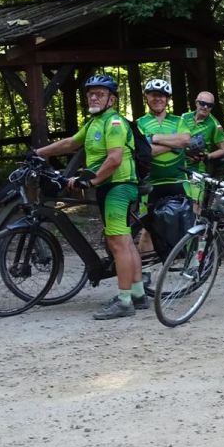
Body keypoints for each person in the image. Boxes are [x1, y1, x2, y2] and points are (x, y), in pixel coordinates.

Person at [34, 73, 143, 319]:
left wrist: (91, 181)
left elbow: (114, 159)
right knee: (125, 242)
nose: (94, 97)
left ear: (111, 100)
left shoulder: (114, 123)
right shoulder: (95, 122)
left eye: (100, 94)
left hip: (118, 186)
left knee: (117, 243)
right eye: (91, 94)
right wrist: (38, 152)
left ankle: (124, 302)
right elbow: (70, 143)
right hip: (111, 186)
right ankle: (138, 294)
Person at [134, 79, 194, 260]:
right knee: (147, 228)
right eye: (154, 95)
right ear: (147, 97)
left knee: (187, 224)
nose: (158, 99)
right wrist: (174, 145)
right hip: (151, 183)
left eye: (162, 96)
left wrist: (153, 138)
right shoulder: (139, 123)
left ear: (167, 99)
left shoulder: (178, 120)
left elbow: (185, 140)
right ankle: (143, 269)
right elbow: (145, 152)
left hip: (179, 180)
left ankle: (190, 266)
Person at [183, 91, 224, 204]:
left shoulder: (214, 124)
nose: (205, 107)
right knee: (179, 201)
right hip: (179, 166)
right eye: (202, 103)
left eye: (209, 105)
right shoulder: (184, 117)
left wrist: (207, 156)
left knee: (196, 202)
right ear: (196, 103)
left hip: (197, 168)